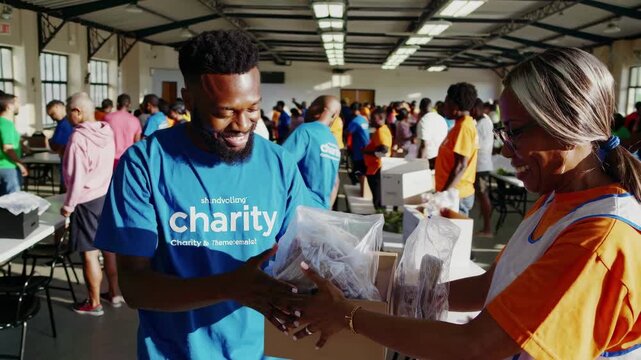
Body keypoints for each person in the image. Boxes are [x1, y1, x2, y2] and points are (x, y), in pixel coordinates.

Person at [289, 47, 641, 360]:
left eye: (514, 132)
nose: (505, 150)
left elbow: (476, 346)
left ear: (567, 126)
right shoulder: (558, 200)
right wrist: (391, 289)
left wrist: (348, 316)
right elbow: (492, 286)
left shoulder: (599, 237)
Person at [94, 30, 306, 359]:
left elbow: (299, 258)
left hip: (264, 351)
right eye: (225, 112)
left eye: (253, 108)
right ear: (189, 101)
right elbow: (134, 286)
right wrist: (230, 287)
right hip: (177, 352)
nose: (243, 124)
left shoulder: (279, 164)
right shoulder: (146, 164)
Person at [61, 92, 116, 316]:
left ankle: (94, 303)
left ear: (77, 112)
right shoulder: (107, 131)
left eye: (68, 114)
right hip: (105, 196)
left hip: (85, 201)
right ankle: (115, 293)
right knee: (109, 250)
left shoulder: (78, 138)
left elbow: (77, 178)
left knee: (90, 254)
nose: (67, 119)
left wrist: (68, 206)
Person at [283, 95, 342, 209]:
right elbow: (335, 183)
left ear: (319, 110)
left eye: (310, 107)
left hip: (299, 209)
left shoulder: (306, 130)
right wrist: (326, 210)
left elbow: (281, 164)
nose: (307, 110)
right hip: (321, 212)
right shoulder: (333, 140)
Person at [434, 82, 479, 216]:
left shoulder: (464, 128)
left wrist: (443, 194)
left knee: (456, 235)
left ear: (456, 105)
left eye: (446, 102)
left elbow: (461, 166)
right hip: (452, 191)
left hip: (456, 194)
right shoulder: (459, 126)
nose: (444, 106)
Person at [363, 108, 392, 210]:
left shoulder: (381, 131)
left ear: (380, 118)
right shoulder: (383, 129)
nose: (370, 120)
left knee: (378, 200)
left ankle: (382, 220)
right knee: (379, 198)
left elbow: (384, 150)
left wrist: (367, 152)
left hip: (376, 168)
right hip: (375, 168)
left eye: (373, 118)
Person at [473, 98, 494, 237]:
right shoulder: (481, 121)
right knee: (481, 196)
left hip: (481, 165)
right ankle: (485, 226)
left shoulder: (484, 124)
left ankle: (487, 229)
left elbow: (481, 146)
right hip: (479, 165)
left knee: (483, 195)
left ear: (476, 109)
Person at [104, 93, 142, 169]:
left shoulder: (107, 118)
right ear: (129, 104)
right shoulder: (135, 120)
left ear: (117, 104)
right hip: (128, 158)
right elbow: (137, 142)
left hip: (110, 158)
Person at [0, 92, 27, 196]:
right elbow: (7, 148)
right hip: (9, 167)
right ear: (9, 106)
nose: (19, 105)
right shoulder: (7, 124)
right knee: (13, 202)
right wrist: (20, 164)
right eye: (16, 103)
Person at [416, 98, 448, 169]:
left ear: (420, 108)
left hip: (428, 161)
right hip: (440, 158)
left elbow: (424, 145)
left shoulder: (424, 120)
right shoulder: (441, 119)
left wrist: (418, 166)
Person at [347, 102, 370, 196]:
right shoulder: (364, 119)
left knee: (359, 170)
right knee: (363, 169)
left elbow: (348, 132)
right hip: (366, 147)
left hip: (359, 149)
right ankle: (363, 189)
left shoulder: (355, 121)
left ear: (352, 110)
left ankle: (362, 191)